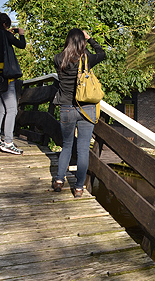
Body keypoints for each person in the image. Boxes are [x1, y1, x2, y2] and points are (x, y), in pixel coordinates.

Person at [52, 28, 105, 197]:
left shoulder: (58, 59)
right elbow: (102, 53)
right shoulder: (86, 58)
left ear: (67, 40)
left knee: (67, 146)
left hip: (66, 109)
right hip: (86, 109)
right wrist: (89, 39)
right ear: (82, 42)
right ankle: (79, 187)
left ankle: (59, 180)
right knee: (83, 150)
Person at [0, 12, 26, 155]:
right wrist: (20, 33)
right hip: (5, 77)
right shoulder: (5, 35)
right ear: (4, 24)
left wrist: (7, 33)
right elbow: (21, 45)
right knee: (12, 110)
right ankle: (8, 142)